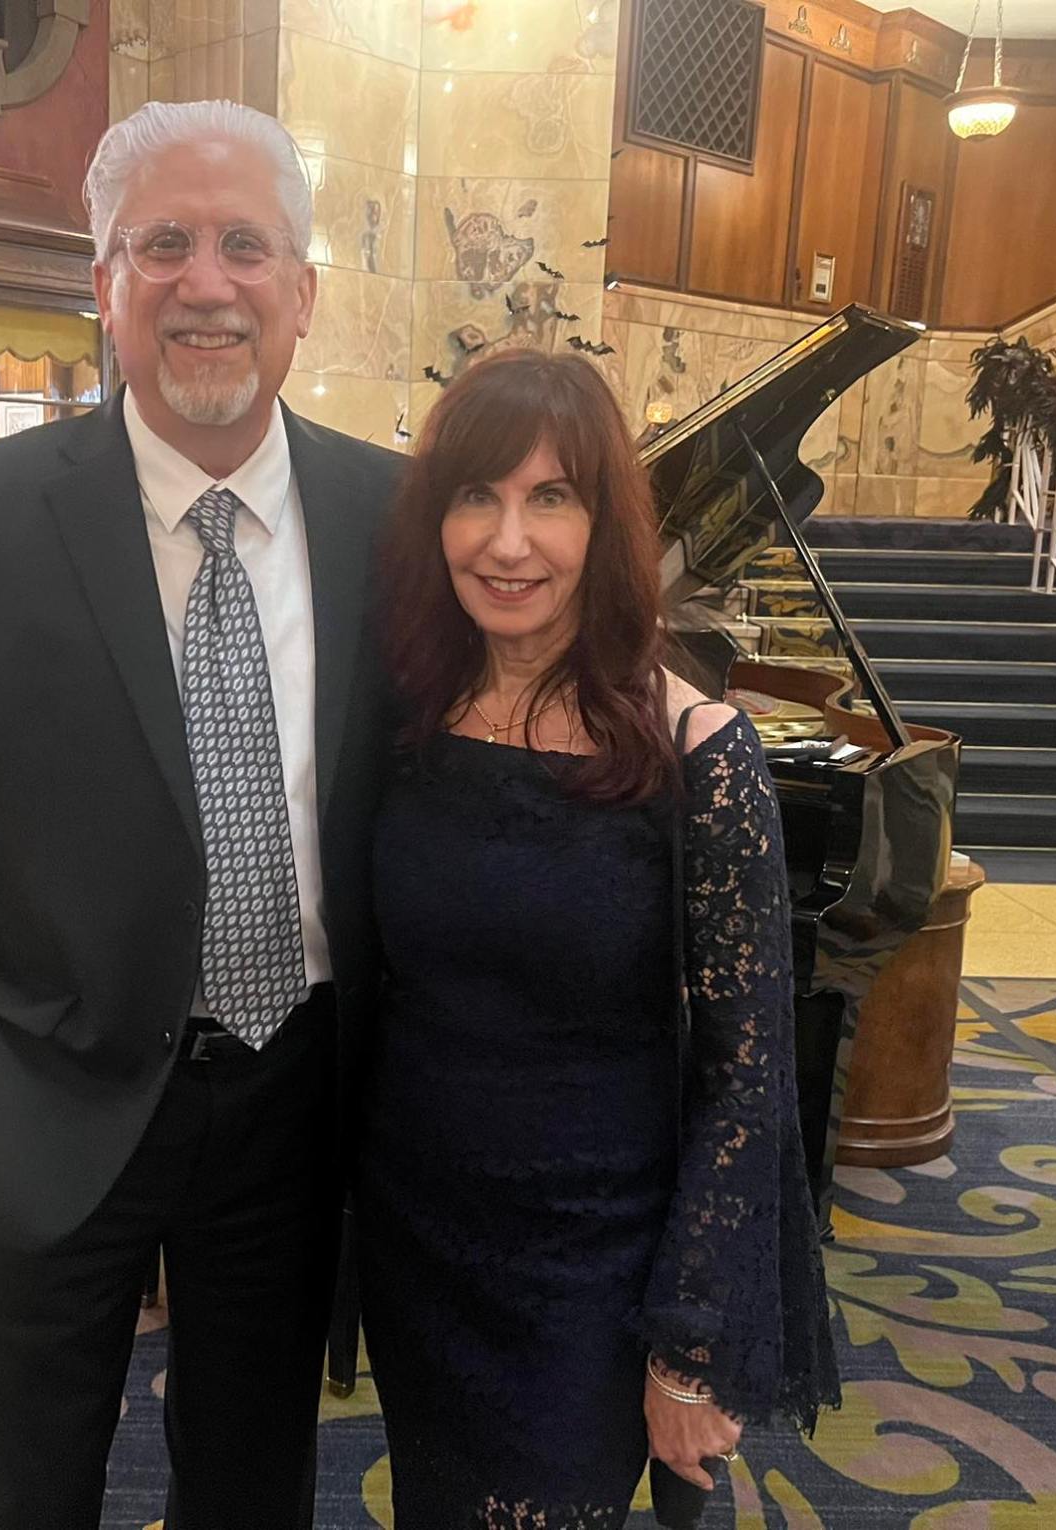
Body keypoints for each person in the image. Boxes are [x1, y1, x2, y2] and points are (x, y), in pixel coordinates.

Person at [0, 99, 402, 1528]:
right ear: (104, 283)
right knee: (16, 1486)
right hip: (43, 1092)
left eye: (244, 246)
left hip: (295, 1098)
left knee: (254, 1480)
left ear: (302, 290)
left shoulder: (390, 514)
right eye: (162, 244)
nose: (205, 283)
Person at [356, 350, 839, 1529]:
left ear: (605, 524)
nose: (507, 541)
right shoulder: (407, 719)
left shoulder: (698, 754)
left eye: (551, 498)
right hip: (420, 1238)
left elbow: (748, 1076)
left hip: (592, 1269)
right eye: (476, 495)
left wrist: (692, 1343)